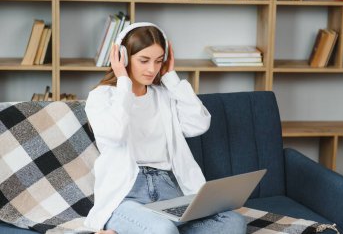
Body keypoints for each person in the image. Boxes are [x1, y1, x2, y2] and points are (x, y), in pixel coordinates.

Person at [84, 22, 247, 234]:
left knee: (233, 222)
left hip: (169, 190)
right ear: (123, 57)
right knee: (163, 229)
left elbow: (198, 124)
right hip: (127, 196)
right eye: (144, 60)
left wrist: (171, 78)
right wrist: (123, 80)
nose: (152, 69)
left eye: (158, 61)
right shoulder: (102, 96)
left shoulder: (164, 95)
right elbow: (116, 133)